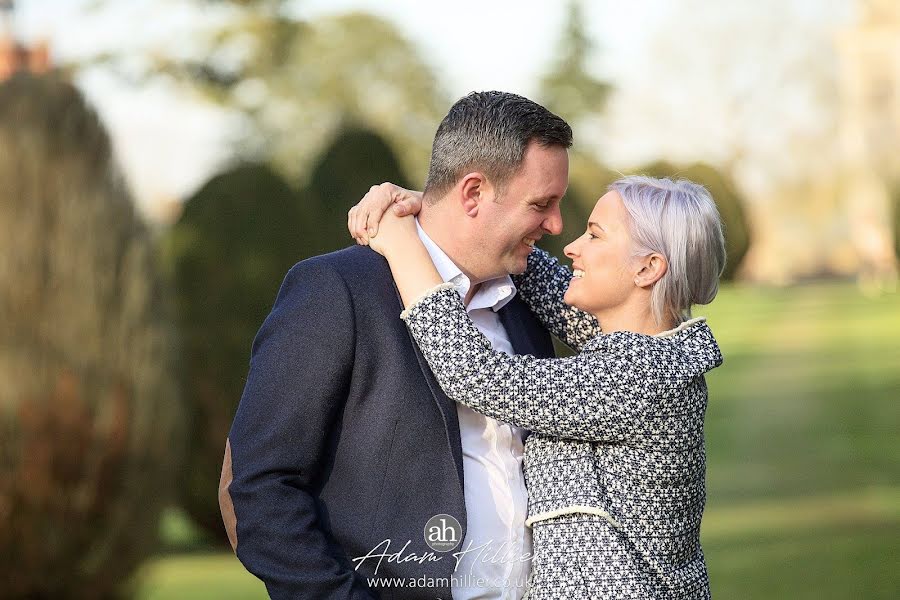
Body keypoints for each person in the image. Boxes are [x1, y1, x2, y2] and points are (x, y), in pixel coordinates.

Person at [218, 91, 573, 599]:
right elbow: (259, 487)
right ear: (472, 193)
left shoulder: (524, 307)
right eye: (541, 204)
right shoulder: (336, 290)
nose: (557, 225)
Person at [348, 175, 726, 599]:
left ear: (648, 268)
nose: (571, 246)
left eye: (595, 235)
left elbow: (479, 375)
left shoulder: (641, 376)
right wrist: (443, 214)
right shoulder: (645, 345)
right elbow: (540, 280)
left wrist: (403, 245)